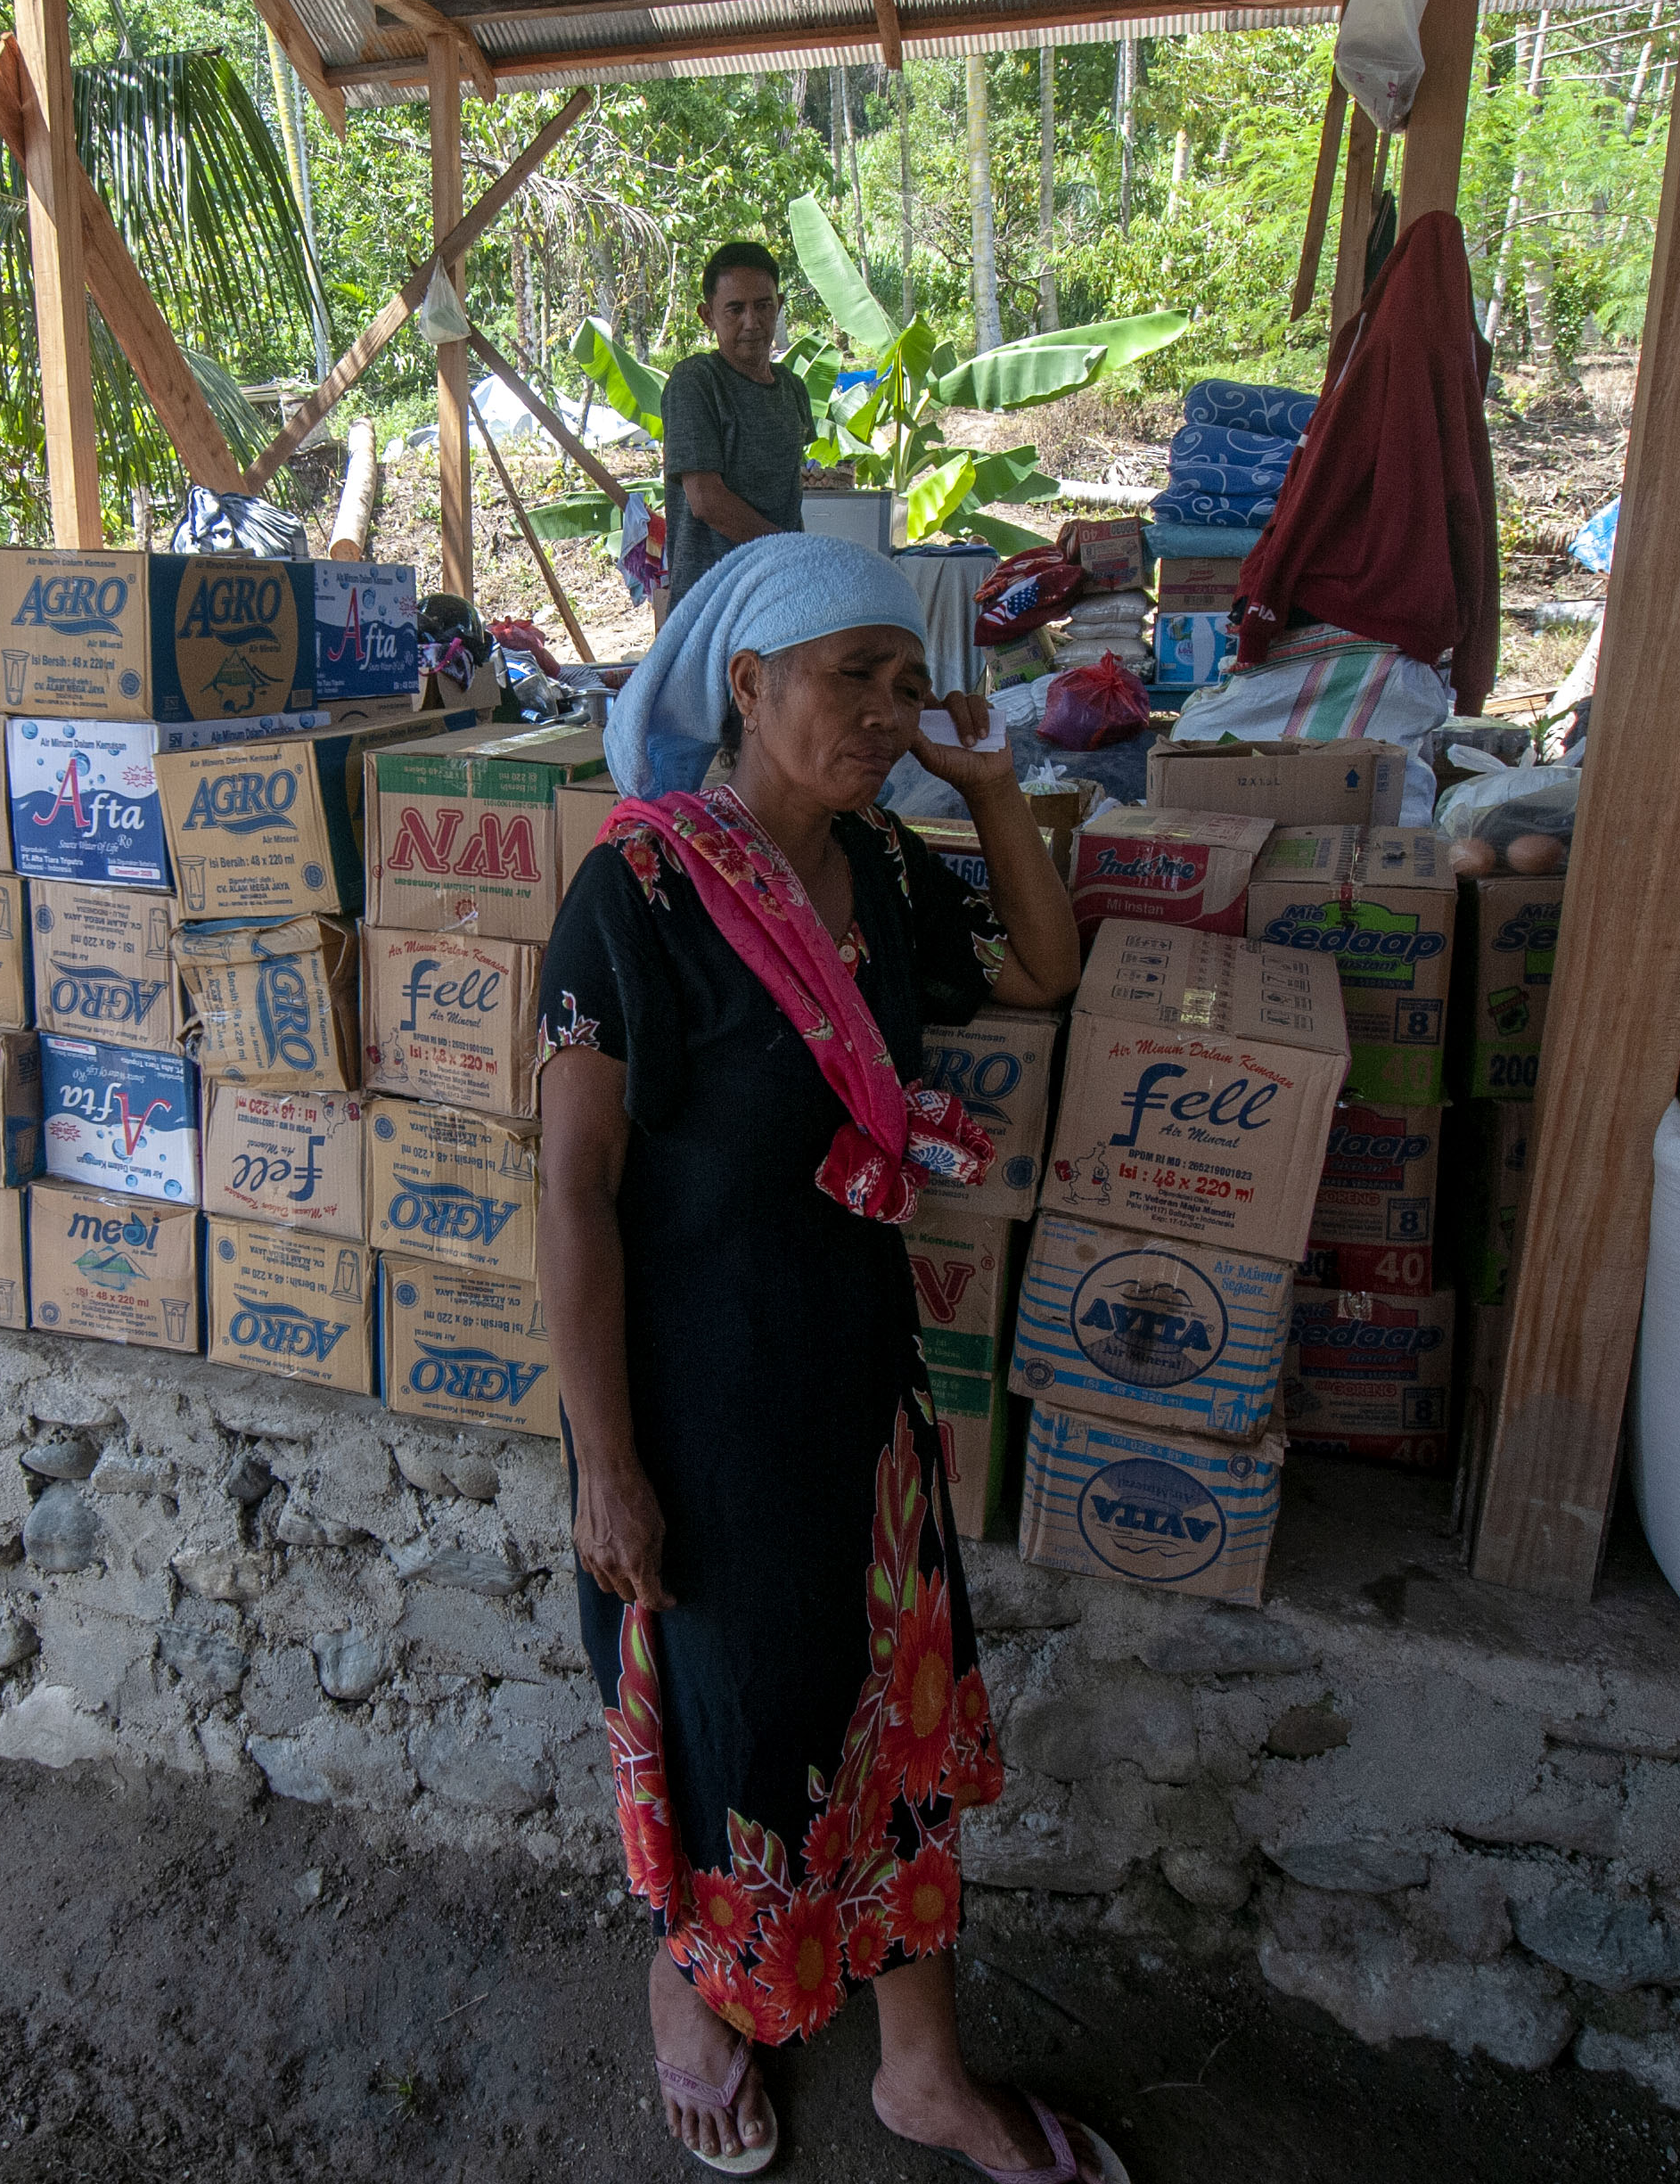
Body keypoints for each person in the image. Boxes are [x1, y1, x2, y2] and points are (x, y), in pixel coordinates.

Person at [538, 535, 1118, 2182]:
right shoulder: (636, 893)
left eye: (903, 677)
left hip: (860, 1394)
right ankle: (697, 1990)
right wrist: (607, 1458)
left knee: (896, 1722)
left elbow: (1043, 966)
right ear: (747, 683)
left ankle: (923, 2068)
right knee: (740, 1725)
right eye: (847, 675)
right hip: (699, 1412)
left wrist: (991, 781)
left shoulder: (880, 864)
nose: (882, 708)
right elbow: (571, 1188)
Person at [660, 242, 816, 606]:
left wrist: (795, 563)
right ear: (707, 315)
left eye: (763, 306)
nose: (752, 322)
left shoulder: (792, 389)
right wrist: (793, 551)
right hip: (713, 604)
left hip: (780, 594)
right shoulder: (695, 382)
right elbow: (706, 500)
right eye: (735, 309)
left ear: (778, 305)